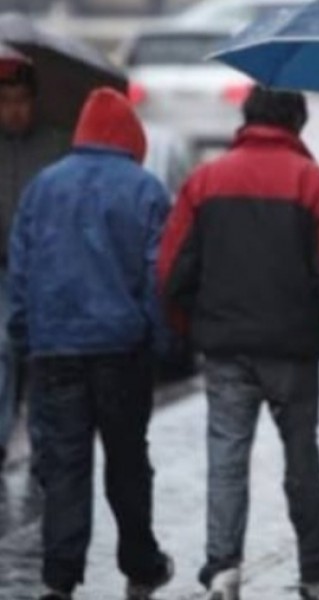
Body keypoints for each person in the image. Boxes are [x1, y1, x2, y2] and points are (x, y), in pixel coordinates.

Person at [157, 87, 319, 600]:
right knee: (301, 457)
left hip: (224, 345)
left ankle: (223, 566)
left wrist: (193, 327)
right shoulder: (317, 186)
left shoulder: (205, 182)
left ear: (246, 119)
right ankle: (316, 566)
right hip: (293, 349)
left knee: (226, 455)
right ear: (297, 123)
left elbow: (170, 272)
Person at [7, 87, 173, 600]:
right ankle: (141, 567)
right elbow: (157, 275)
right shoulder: (146, 190)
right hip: (121, 350)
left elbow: (21, 270)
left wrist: (23, 334)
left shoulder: (42, 187)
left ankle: (59, 577)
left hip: (54, 349)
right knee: (127, 462)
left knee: (64, 465)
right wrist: (158, 338)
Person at [0, 58, 70, 469]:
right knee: (3, 349)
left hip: (46, 270)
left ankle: (44, 442)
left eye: (21, 101)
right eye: (5, 101)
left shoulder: (56, 144)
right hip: (2, 268)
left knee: (42, 357)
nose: (14, 110)